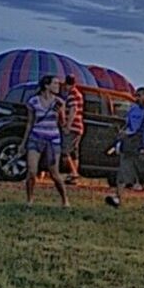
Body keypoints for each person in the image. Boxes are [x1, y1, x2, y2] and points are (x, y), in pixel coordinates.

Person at [107, 86, 144, 211]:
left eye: (139, 95)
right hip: (130, 146)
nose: (137, 98)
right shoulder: (132, 110)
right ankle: (117, 197)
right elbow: (127, 126)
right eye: (136, 95)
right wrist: (122, 135)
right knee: (123, 173)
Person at [22, 74, 70, 207]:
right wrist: (23, 143)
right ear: (46, 85)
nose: (58, 86)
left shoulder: (59, 102)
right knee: (32, 171)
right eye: (55, 83)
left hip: (52, 140)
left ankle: (65, 200)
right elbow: (30, 123)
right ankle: (29, 199)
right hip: (36, 137)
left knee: (54, 173)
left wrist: (66, 116)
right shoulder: (33, 101)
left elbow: (62, 123)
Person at [62, 77, 87, 180]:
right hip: (79, 127)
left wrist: (68, 125)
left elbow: (73, 109)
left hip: (73, 127)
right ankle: (73, 175)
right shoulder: (79, 94)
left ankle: (73, 172)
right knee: (74, 152)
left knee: (65, 151)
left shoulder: (72, 94)